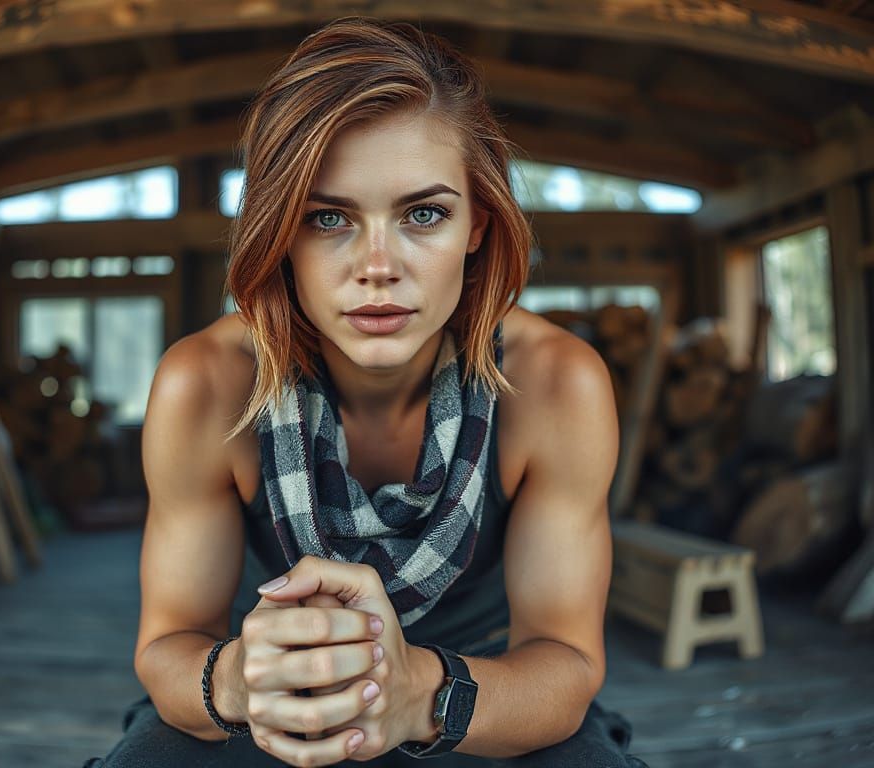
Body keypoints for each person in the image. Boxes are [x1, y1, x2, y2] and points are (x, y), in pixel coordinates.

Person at [83, 16, 649, 768]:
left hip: (484, 694)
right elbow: (167, 647)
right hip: (274, 702)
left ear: (478, 223)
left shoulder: (554, 383)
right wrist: (244, 684)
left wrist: (419, 691)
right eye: (328, 218)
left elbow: (567, 663)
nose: (377, 266)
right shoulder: (207, 384)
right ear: (280, 231)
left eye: (424, 214)